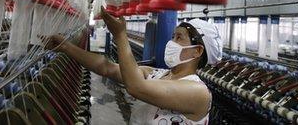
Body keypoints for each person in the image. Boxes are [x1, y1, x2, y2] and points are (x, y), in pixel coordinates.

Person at [43, 7, 222, 124]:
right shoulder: (156, 74)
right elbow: (107, 67)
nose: (172, 42)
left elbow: (136, 87)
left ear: (197, 51)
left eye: (179, 38)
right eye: (172, 36)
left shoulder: (198, 92)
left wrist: (121, 35)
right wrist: (66, 47)